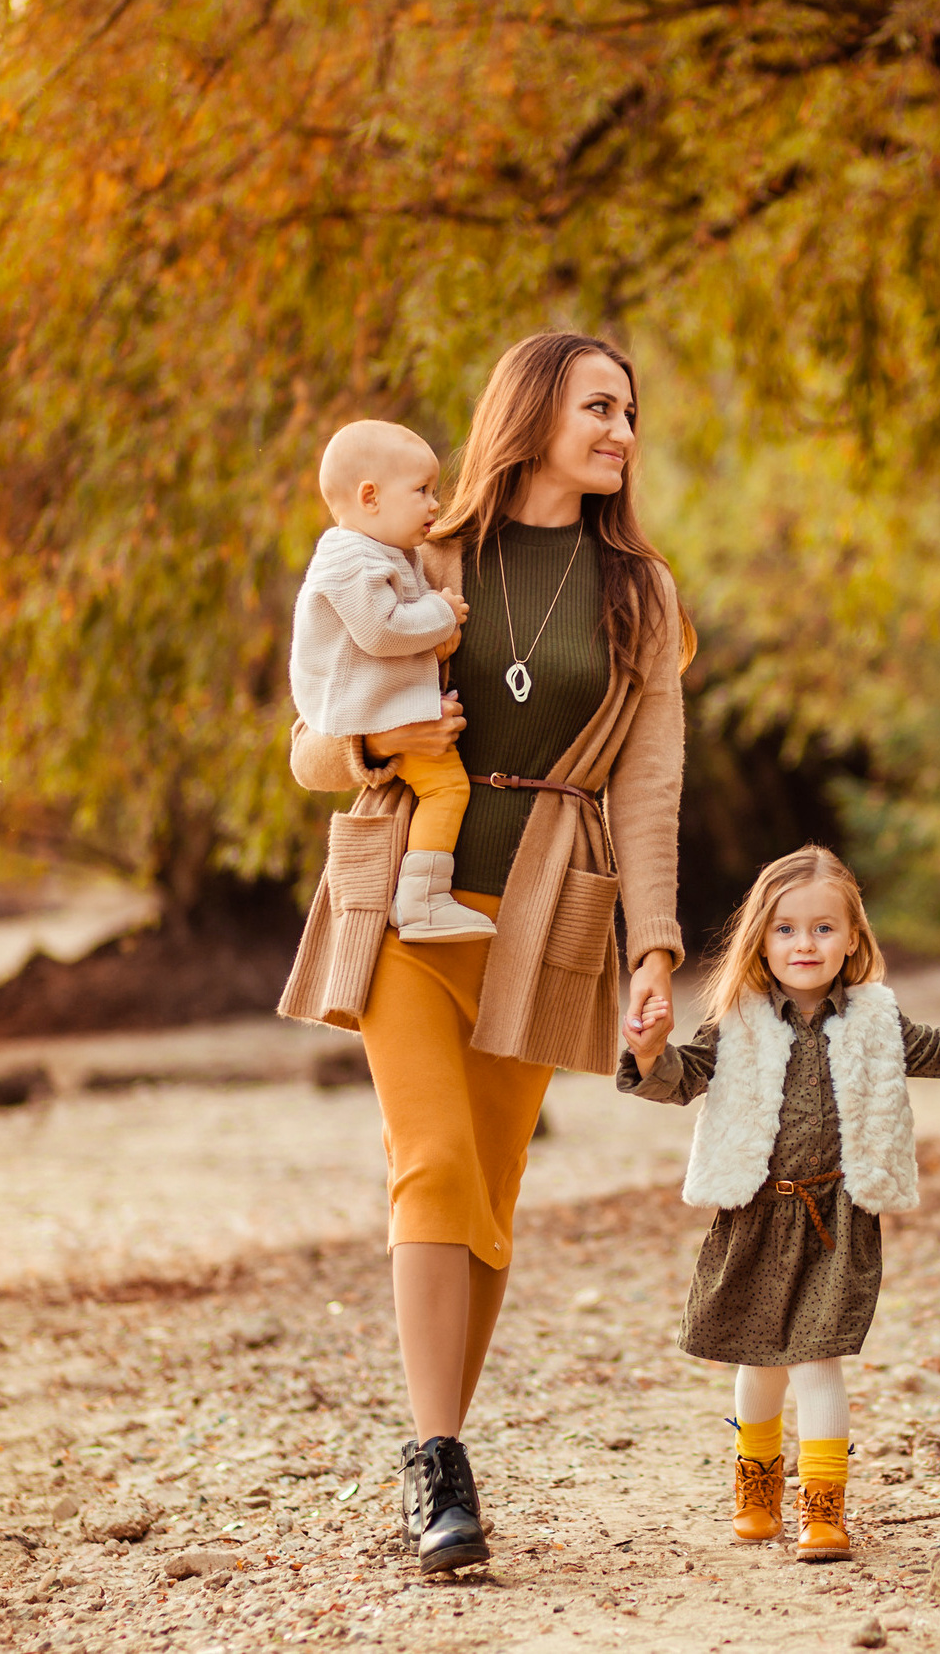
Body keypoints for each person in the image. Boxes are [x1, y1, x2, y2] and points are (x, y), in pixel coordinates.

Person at [280, 332, 692, 1575]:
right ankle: (440, 1461)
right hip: (408, 900)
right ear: (532, 415)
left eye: (630, 411)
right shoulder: (423, 551)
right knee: (436, 1163)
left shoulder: (640, 592)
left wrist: (657, 946)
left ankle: (437, 1456)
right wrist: (361, 755)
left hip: (548, 910)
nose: (621, 430)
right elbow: (309, 731)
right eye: (599, 406)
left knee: (495, 1201)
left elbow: (653, 783)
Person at [618, 846, 940, 1562]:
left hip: (836, 1222)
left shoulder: (875, 1020)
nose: (805, 944)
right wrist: (646, 1049)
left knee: (817, 1361)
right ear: (761, 939)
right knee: (759, 1364)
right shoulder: (736, 1020)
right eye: (787, 929)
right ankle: (755, 1486)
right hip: (755, 1216)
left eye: (823, 928)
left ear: (853, 937)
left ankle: (822, 1508)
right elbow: (677, 1078)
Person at [289, 419, 493, 943]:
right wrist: (441, 613)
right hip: (372, 712)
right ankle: (423, 901)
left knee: (445, 787)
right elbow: (382, 630)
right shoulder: (350, 557)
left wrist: (435, 636)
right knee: (447, 788)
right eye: (422, 491)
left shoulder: (382, 551)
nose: (434, 504)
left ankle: (423, 899)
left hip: (386, 706)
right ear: (370, 497)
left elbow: (399, 630)